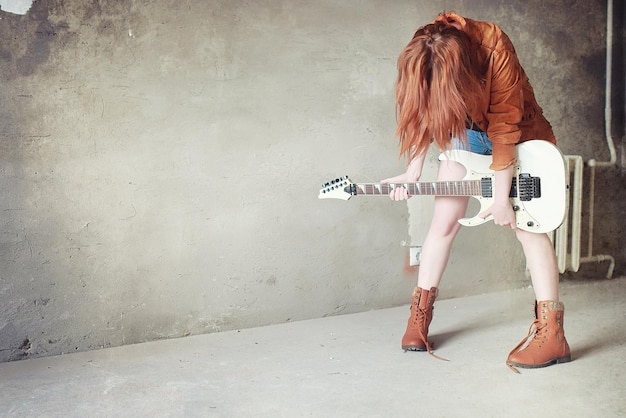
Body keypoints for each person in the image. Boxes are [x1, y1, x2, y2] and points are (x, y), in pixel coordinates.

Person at [382, 11, 571, 372]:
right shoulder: (427, 48)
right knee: (444, 222)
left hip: (518, 135)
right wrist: (413, 169)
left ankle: (552, 336)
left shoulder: (493, 44)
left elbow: (504, 124)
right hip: (464, 136)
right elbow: (426, 109)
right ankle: (418, 321)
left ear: (466, 69)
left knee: (528, 229)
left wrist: (501, 201)